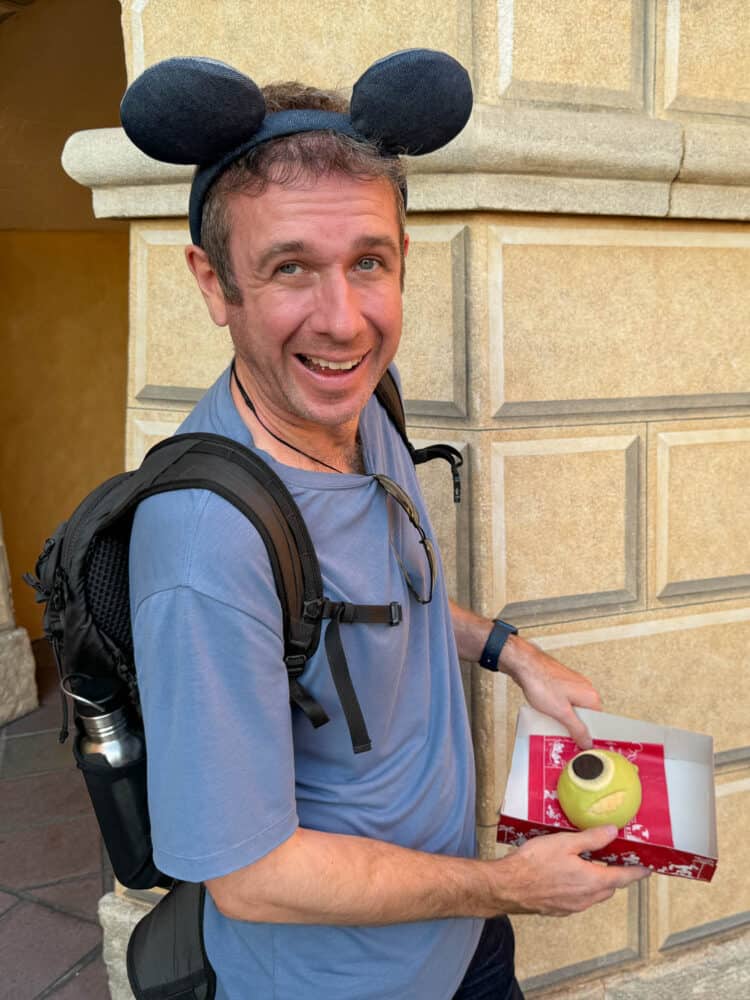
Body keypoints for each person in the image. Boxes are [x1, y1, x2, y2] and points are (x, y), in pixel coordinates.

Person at [126, 51, 650, 1000]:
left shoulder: (366, 403)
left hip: (455, 930)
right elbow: (251, 880)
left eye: (369, 262)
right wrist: (508, 885)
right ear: (214, 284)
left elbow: (369, 599)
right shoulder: (207, 546)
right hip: (341, 978)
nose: (344, 321)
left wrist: (508, 651)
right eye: (291, 268)